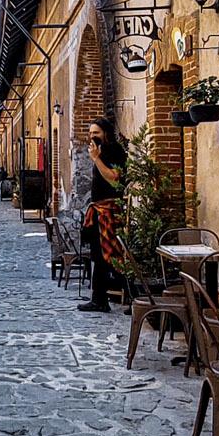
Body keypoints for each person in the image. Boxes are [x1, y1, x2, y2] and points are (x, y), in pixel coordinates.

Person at [79, 116, 127, 313]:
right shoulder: (100, 152)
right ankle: (99, 299)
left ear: (106, 133)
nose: (92, 136)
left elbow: (115, 179)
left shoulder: (114, 151)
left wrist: (97, 159)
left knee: (112, 255)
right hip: (99, 210)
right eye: (90, 133)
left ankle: (133, 295)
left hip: (109, 210)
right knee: (98, 256)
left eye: (96, 133)